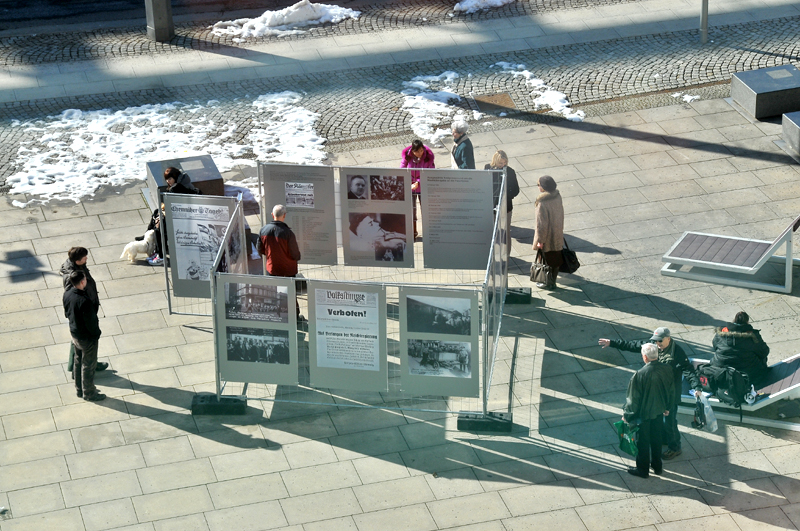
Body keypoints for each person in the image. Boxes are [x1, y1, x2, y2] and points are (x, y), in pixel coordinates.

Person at [599, 327, 701, 460]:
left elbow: (688, 370)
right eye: (656, 341)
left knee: (670, 422)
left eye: (660, 341)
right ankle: (666, 438)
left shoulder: (677, 352)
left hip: (669, 394)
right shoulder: (653, 345)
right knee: (661, 420)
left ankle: (675, 447)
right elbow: (634, 345)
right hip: (656, 392)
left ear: (668, 339)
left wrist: (697, 387)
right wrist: (613, 343)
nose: (657, 344)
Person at [622, 343, 676, 478]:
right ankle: (657, 466)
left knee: (643, 442)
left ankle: (642, 470)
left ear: (645, 357)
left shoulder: (639, 375)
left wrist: (627, 416)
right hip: (658, 411)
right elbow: (671, 390)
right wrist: (667, 407)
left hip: (643, 415)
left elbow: (633, 399)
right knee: (657, 439)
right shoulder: (667, 369)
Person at [59, 247, 108, 373]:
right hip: (83, 312)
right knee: (82, 341)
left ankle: (80, 365)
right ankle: (86, 367)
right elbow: (73, 297)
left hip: (87, 308)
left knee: (78, 341)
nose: (87, 259)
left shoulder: (79, 266)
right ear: (77, 260)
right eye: (84, 257)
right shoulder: (72, 276)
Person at [63, 270, 105, 401]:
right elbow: (91, 322)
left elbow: (66, 313)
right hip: (87, 337)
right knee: (88, 364)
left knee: (78, 360)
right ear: (82, 282)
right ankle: (89, 392)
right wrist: (96, 334)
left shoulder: (67, 294)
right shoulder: (84, 301)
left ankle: (79, 389)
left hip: (75, 333)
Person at [258, 204, 302, 317]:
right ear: (284, 215)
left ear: (272, 215)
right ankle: (294, 316)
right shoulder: (288, 233)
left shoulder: (263, 230)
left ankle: (277, 317)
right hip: (288, 270)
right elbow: (295, 254)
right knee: (290, 294)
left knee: (274, 294)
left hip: (272, 269)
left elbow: (260, 250)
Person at [711, 311, 770, 386]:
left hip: (720, 371)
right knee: (762, 358)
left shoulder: (720, 334)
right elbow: (764, 352)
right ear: (747, 322)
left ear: (734, 320)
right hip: (747, 374)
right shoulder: (752, 336)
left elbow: (715, 347)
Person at [485, 150, 521, 259]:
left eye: (505, 163)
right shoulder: (488, 168)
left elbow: (516, 190)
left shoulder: (510, 172)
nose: (503, 165)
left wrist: (506, 196)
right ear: (495, 161)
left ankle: (506, 256)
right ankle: (493, 255)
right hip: (491, 206)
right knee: (492, 232)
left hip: (506, 207)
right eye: (501, 163)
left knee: (505, 232)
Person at [532, 175, 564, 289]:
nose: (538, 187)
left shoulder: (542, 203)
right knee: (555, 259)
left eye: (539, 185)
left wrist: (540, 241)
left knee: (546, 260)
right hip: (557, 233)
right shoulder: (557, 196)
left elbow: (541, 225)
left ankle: (548, 283)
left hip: (547, 237)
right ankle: (552, 281)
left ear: (544, 187)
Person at [401, 139, 435, 239]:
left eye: (421, 150)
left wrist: (418, 182)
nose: (420, 153)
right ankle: (413, 233)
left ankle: (428, 233)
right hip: (411, 188)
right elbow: (402, 170)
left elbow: (430, 172)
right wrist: (411, 181)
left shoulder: (428, 157)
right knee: (411, 212)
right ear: (412, 151)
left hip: (423, 188)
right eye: (417, 151)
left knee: (426, 211)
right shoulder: (407, 157)